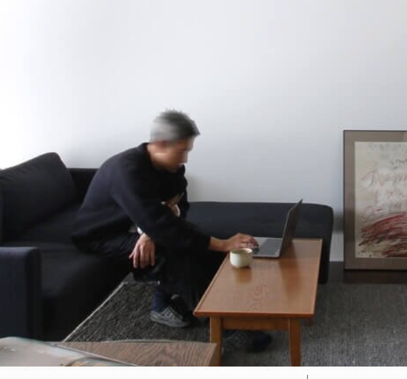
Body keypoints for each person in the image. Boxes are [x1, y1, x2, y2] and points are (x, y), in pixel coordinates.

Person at [71, 110, 271, 352]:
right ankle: (225, 326)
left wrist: (150, 232)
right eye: (181, 151)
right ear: (160, 144)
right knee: (175, 254)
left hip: (137, 228)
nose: (185, 159)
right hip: (101, 236)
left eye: (188, 151)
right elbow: (161, 220)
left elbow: (179, 207)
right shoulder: (127, 170)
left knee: (194, 243)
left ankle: (174, 302)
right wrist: (221, 243)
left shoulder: (172, 169)